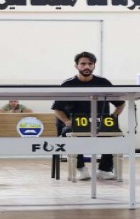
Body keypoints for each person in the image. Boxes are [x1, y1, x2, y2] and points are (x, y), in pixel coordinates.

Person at [52, 52, 125, 181]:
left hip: (100, 123)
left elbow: (121, 104)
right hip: (76, 123)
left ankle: (104, 170)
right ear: (76, 66)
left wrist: (113, 118)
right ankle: (82, 170)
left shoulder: (103, 82)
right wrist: (67, 121)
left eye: (90, 64)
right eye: (83, 64)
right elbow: (57, 109)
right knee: (69, 134)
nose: (86, 66)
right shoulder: (68, 84)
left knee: (114, 133)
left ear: (94, 66)